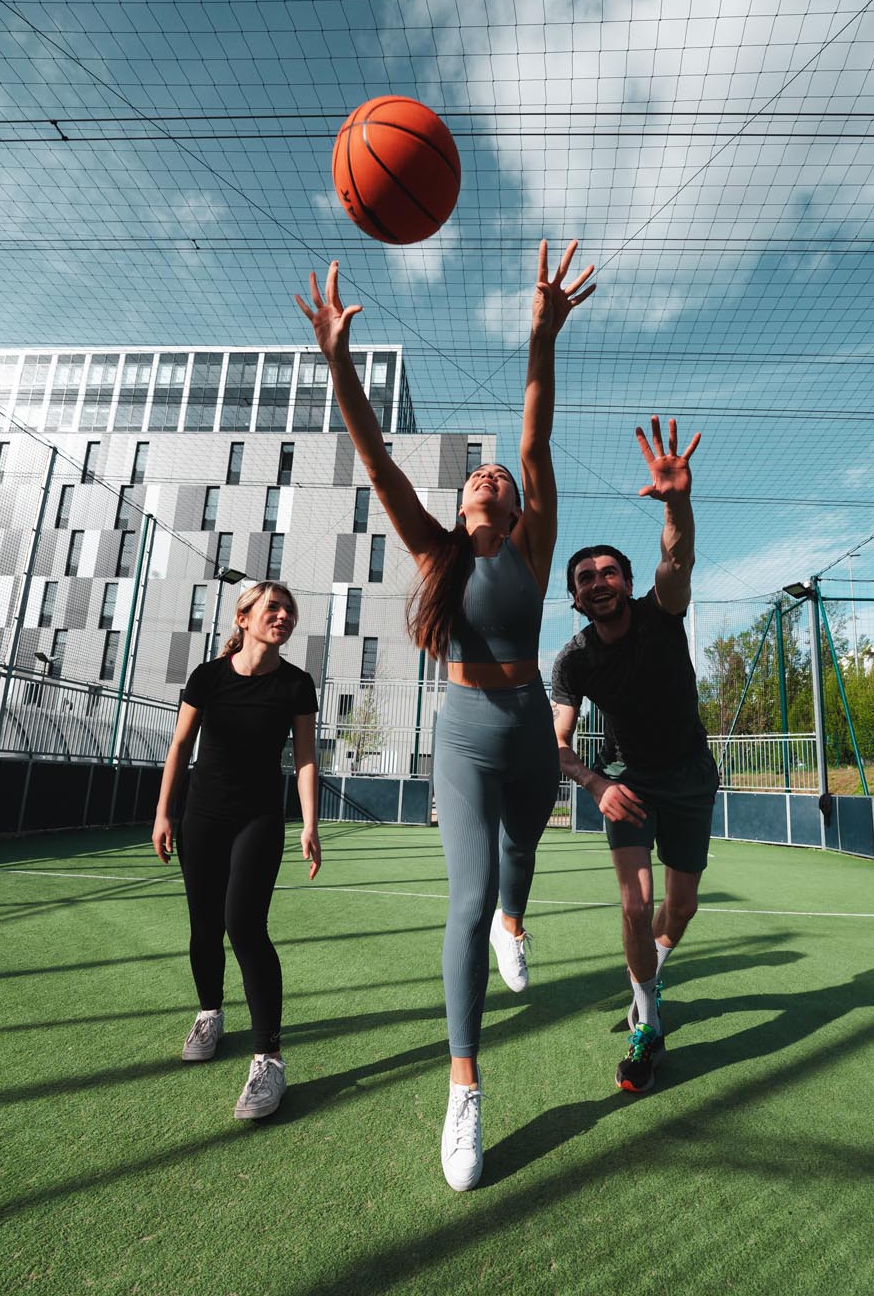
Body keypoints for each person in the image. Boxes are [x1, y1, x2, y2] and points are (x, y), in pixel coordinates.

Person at [296, 241, 593, 1190]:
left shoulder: (536, 545)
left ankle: (518, 920)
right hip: (464, 732)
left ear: (514, 502)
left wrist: (540, 337)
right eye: (478, 476)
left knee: (522, 863)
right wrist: (339, 361)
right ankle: (464, 1085)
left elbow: (536, 434)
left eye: (498, 479)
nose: (489, 479)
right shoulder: (437, 553)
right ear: (462, 497)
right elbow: (377, 458)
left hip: (529, 727)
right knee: (465, 900)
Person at [550, 416, 711, 1095]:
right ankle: (647, 1022)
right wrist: (592, 781)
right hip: (625, 779)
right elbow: (555, 743)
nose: (598, 581)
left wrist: (676, 502)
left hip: (690, 774)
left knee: (681, 906)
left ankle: (653, 970)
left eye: (609, 570)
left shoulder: (661, 611)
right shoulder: (574, 659)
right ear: (575, 595)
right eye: (585, 576)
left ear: (626, 580)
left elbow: (676, 559)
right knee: (635, 906)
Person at [152, 581, 322, 1121]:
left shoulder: (296, 685)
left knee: (244, 927)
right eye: (273, 608)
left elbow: (305, 758)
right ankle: (210, 1014)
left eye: (288, 610)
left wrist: (310, 822)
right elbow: (181, 744)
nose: (283, 616)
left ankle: (268, 1059)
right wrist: (163, 813)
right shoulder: (208, 676)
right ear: (243, 618)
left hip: (259, 818)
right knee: (204, 926)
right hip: (202, 815)